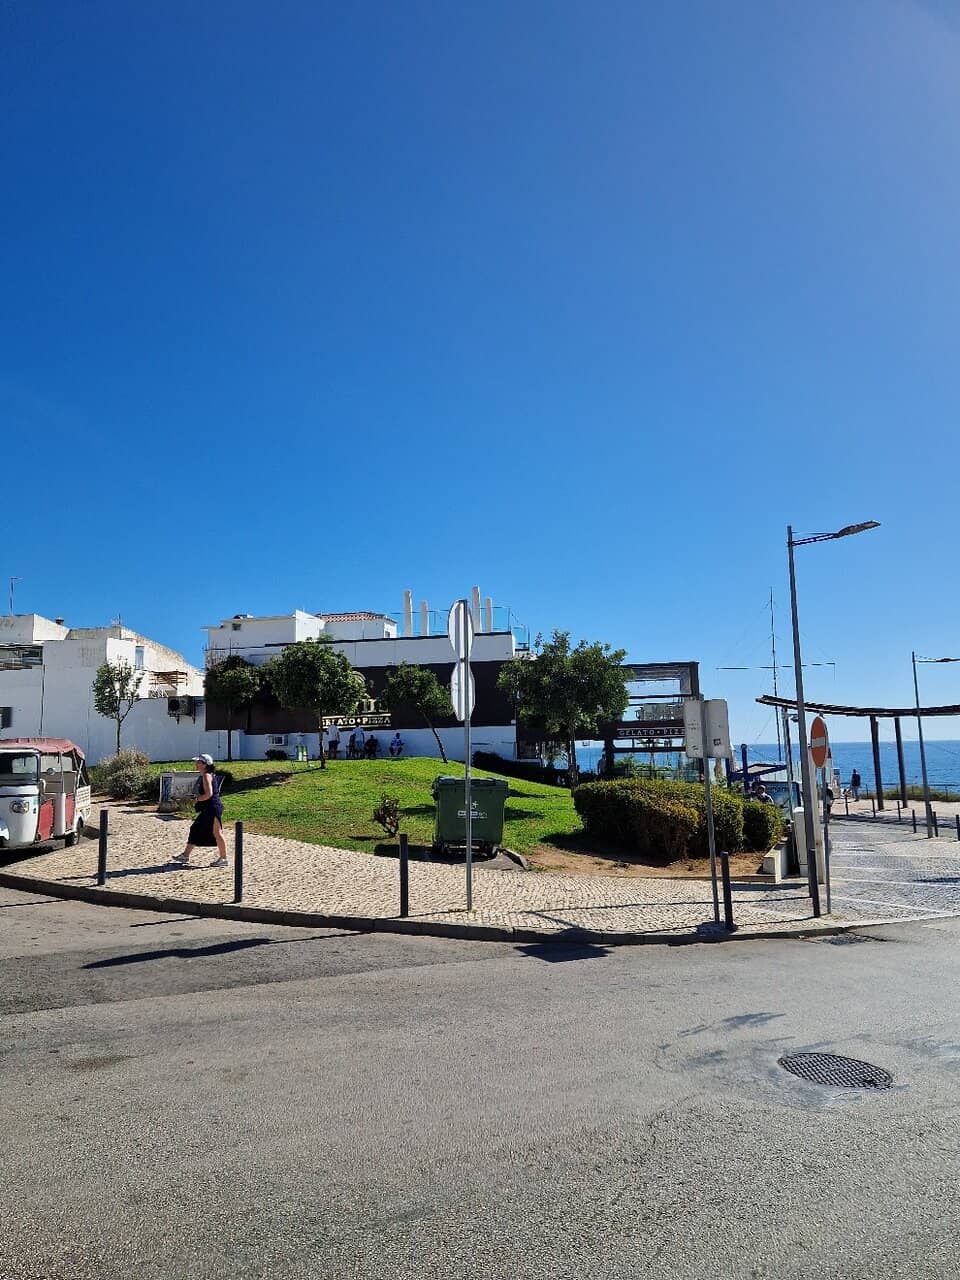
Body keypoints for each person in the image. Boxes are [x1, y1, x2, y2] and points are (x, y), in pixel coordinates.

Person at [172, 754, 226, 867]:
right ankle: (185, 855)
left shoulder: (206, 776)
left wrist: (196, 799)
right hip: (209, 808)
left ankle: (223, 859)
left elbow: (209, 794)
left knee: (217, 833)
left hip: (212, 808)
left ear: (205, 764)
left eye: (199, 762)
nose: (196, 764)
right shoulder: (206, 775)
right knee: (195, 828)